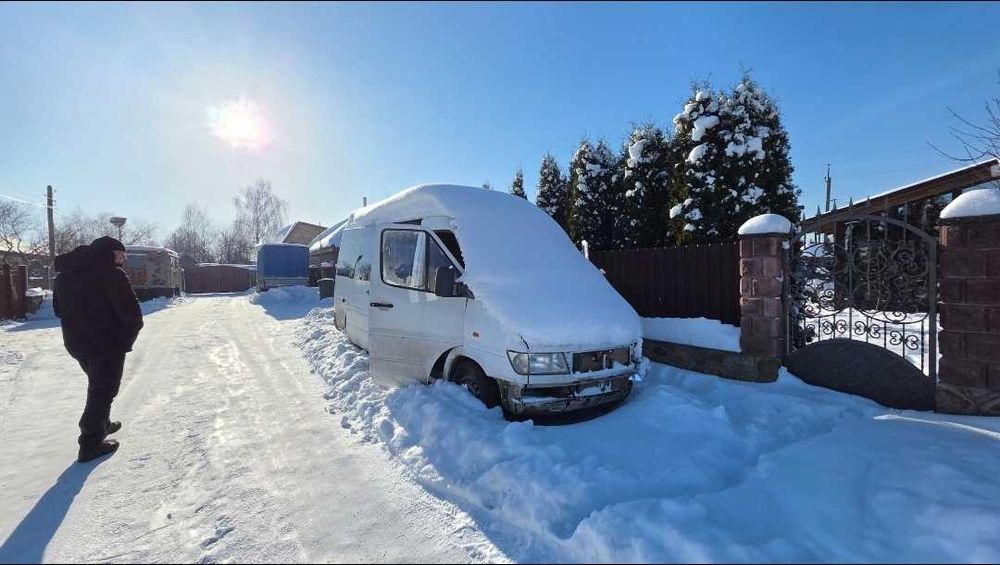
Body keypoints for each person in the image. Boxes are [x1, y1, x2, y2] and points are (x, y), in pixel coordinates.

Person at [53, 236, 143, 463]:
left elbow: (57, 310)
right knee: (103, 390)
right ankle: (90, 442)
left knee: (98, 385)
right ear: (110, 252)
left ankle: (102, 424)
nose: (123, 259)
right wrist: (124, 340)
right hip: (107, 344)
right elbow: (132, 314)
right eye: (122, 254)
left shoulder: (64, 276)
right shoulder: (111, 274)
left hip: (77, 343)